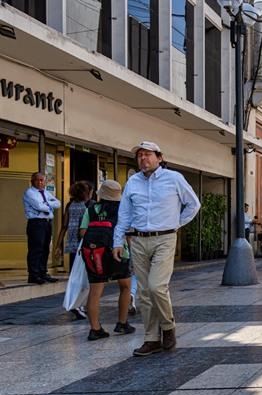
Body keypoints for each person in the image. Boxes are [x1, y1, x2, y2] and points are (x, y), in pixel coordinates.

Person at [113, 141, 201, 357]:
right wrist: (117, 241)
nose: (143, 158)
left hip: (164, 238)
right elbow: (124, 214)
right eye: (139, 155)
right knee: (144, 292)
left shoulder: (174, 178)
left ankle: (168, 326)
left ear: (159, 157)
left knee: (157, 287)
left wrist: (176, 223)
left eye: (147, 154)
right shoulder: (133, 182)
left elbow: (193, 204)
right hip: (138, 240)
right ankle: (151, 338)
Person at [80, 180, 136, 340]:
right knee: (125, 287)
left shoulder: (91, 209)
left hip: (95, 254)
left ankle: (95, 329)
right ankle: (122, 323)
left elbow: (82, 232)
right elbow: (128, 234)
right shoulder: (122, 211)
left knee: (95, 292)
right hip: (119, 253)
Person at [54, 181, 92, 319]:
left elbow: (64, 226)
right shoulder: (89, 205)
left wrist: (58, 245)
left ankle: (77, 303)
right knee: (85, 275)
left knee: (74, 274)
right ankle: (79, 304)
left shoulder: (70, 205)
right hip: (84, 243)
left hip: (72, 243)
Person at [23, 172, 62, 284]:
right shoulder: (29, 192)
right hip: (36, 223)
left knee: (45, 248)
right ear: (32, 181)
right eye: (38, 180)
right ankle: (33, 275)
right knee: (36, 249)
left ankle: (42, 272)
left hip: (47, 223)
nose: (40, 182)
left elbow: (58, 203)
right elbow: (39, 206)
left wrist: (46, 203)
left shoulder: (45, 192)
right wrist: (49, 205)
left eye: (42, 180)